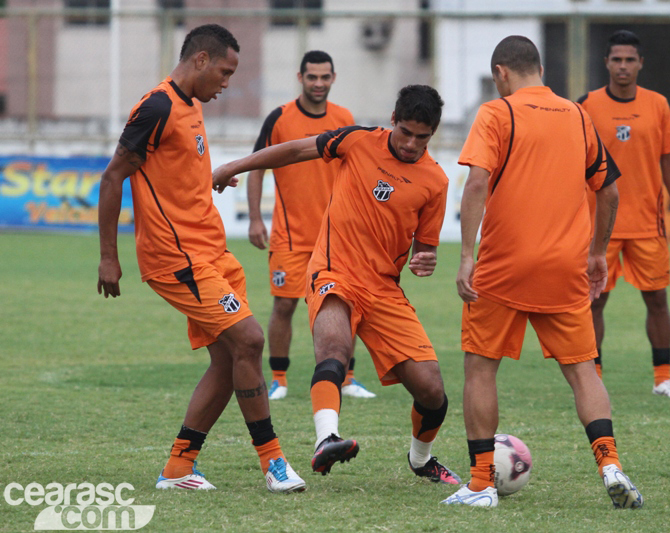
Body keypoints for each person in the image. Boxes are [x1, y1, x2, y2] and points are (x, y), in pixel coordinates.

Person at [213, 85, 461, 486]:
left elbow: (425, 249)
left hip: (383, 289)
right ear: (393, 120)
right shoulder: (358, 141)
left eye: (424, 137)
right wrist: (234, 166)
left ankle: (421, 459)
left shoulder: (435, 181)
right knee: (334, 350)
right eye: (407, 133)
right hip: (333, 269)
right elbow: (293, 151)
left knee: (432, 391)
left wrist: (426, 260)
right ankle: (326, 438)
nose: (413, 144)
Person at [96, 24, 305, 493]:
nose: (227, 83)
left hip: (212, 254)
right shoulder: (156, 106)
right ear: (202, 60)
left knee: (230, 360)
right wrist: (109, 257)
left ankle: (178, 468)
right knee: (249, 341)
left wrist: (205, 181)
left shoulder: (189, 105)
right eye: (225, 72)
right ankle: (273, 463)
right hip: (177, 259)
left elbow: (170, 171)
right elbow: (113, 179)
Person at [442, 35, 643, 509]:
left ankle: (480, 484)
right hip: (565, 267)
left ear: (501, 73)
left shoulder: (497, 113)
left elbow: (476, 184)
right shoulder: (578, 116)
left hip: (504, 267)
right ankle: (611, 464)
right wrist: (597, 254)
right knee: (583, 371)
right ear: (539, 68)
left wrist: (467, 255)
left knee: (480, 367)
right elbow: (610, 193)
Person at [247, 50, 375, 401]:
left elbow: (358, 169)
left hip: (337, 237)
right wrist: (256, 217)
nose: (318, 83)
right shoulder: (279, 118)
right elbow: (257, 167)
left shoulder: (344, 117)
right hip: (290, 236)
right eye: (312, 77)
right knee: (284, 306)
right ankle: (278, 379)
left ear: (333, 78)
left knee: (343, 305)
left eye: (324, 77)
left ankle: (346, 379)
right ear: (300, 78)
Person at [578, 30, 670, 398]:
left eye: (630, 59)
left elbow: (668, 157)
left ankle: (663, 378)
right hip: (600, 226)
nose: (623, 66)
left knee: (657, 299)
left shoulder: (658, 104)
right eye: (617, 59)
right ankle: (593, 377)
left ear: (640, 63)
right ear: (606, 63)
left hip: (647, 222)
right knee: (595, 300)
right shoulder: (587, 105)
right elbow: (572, 162)